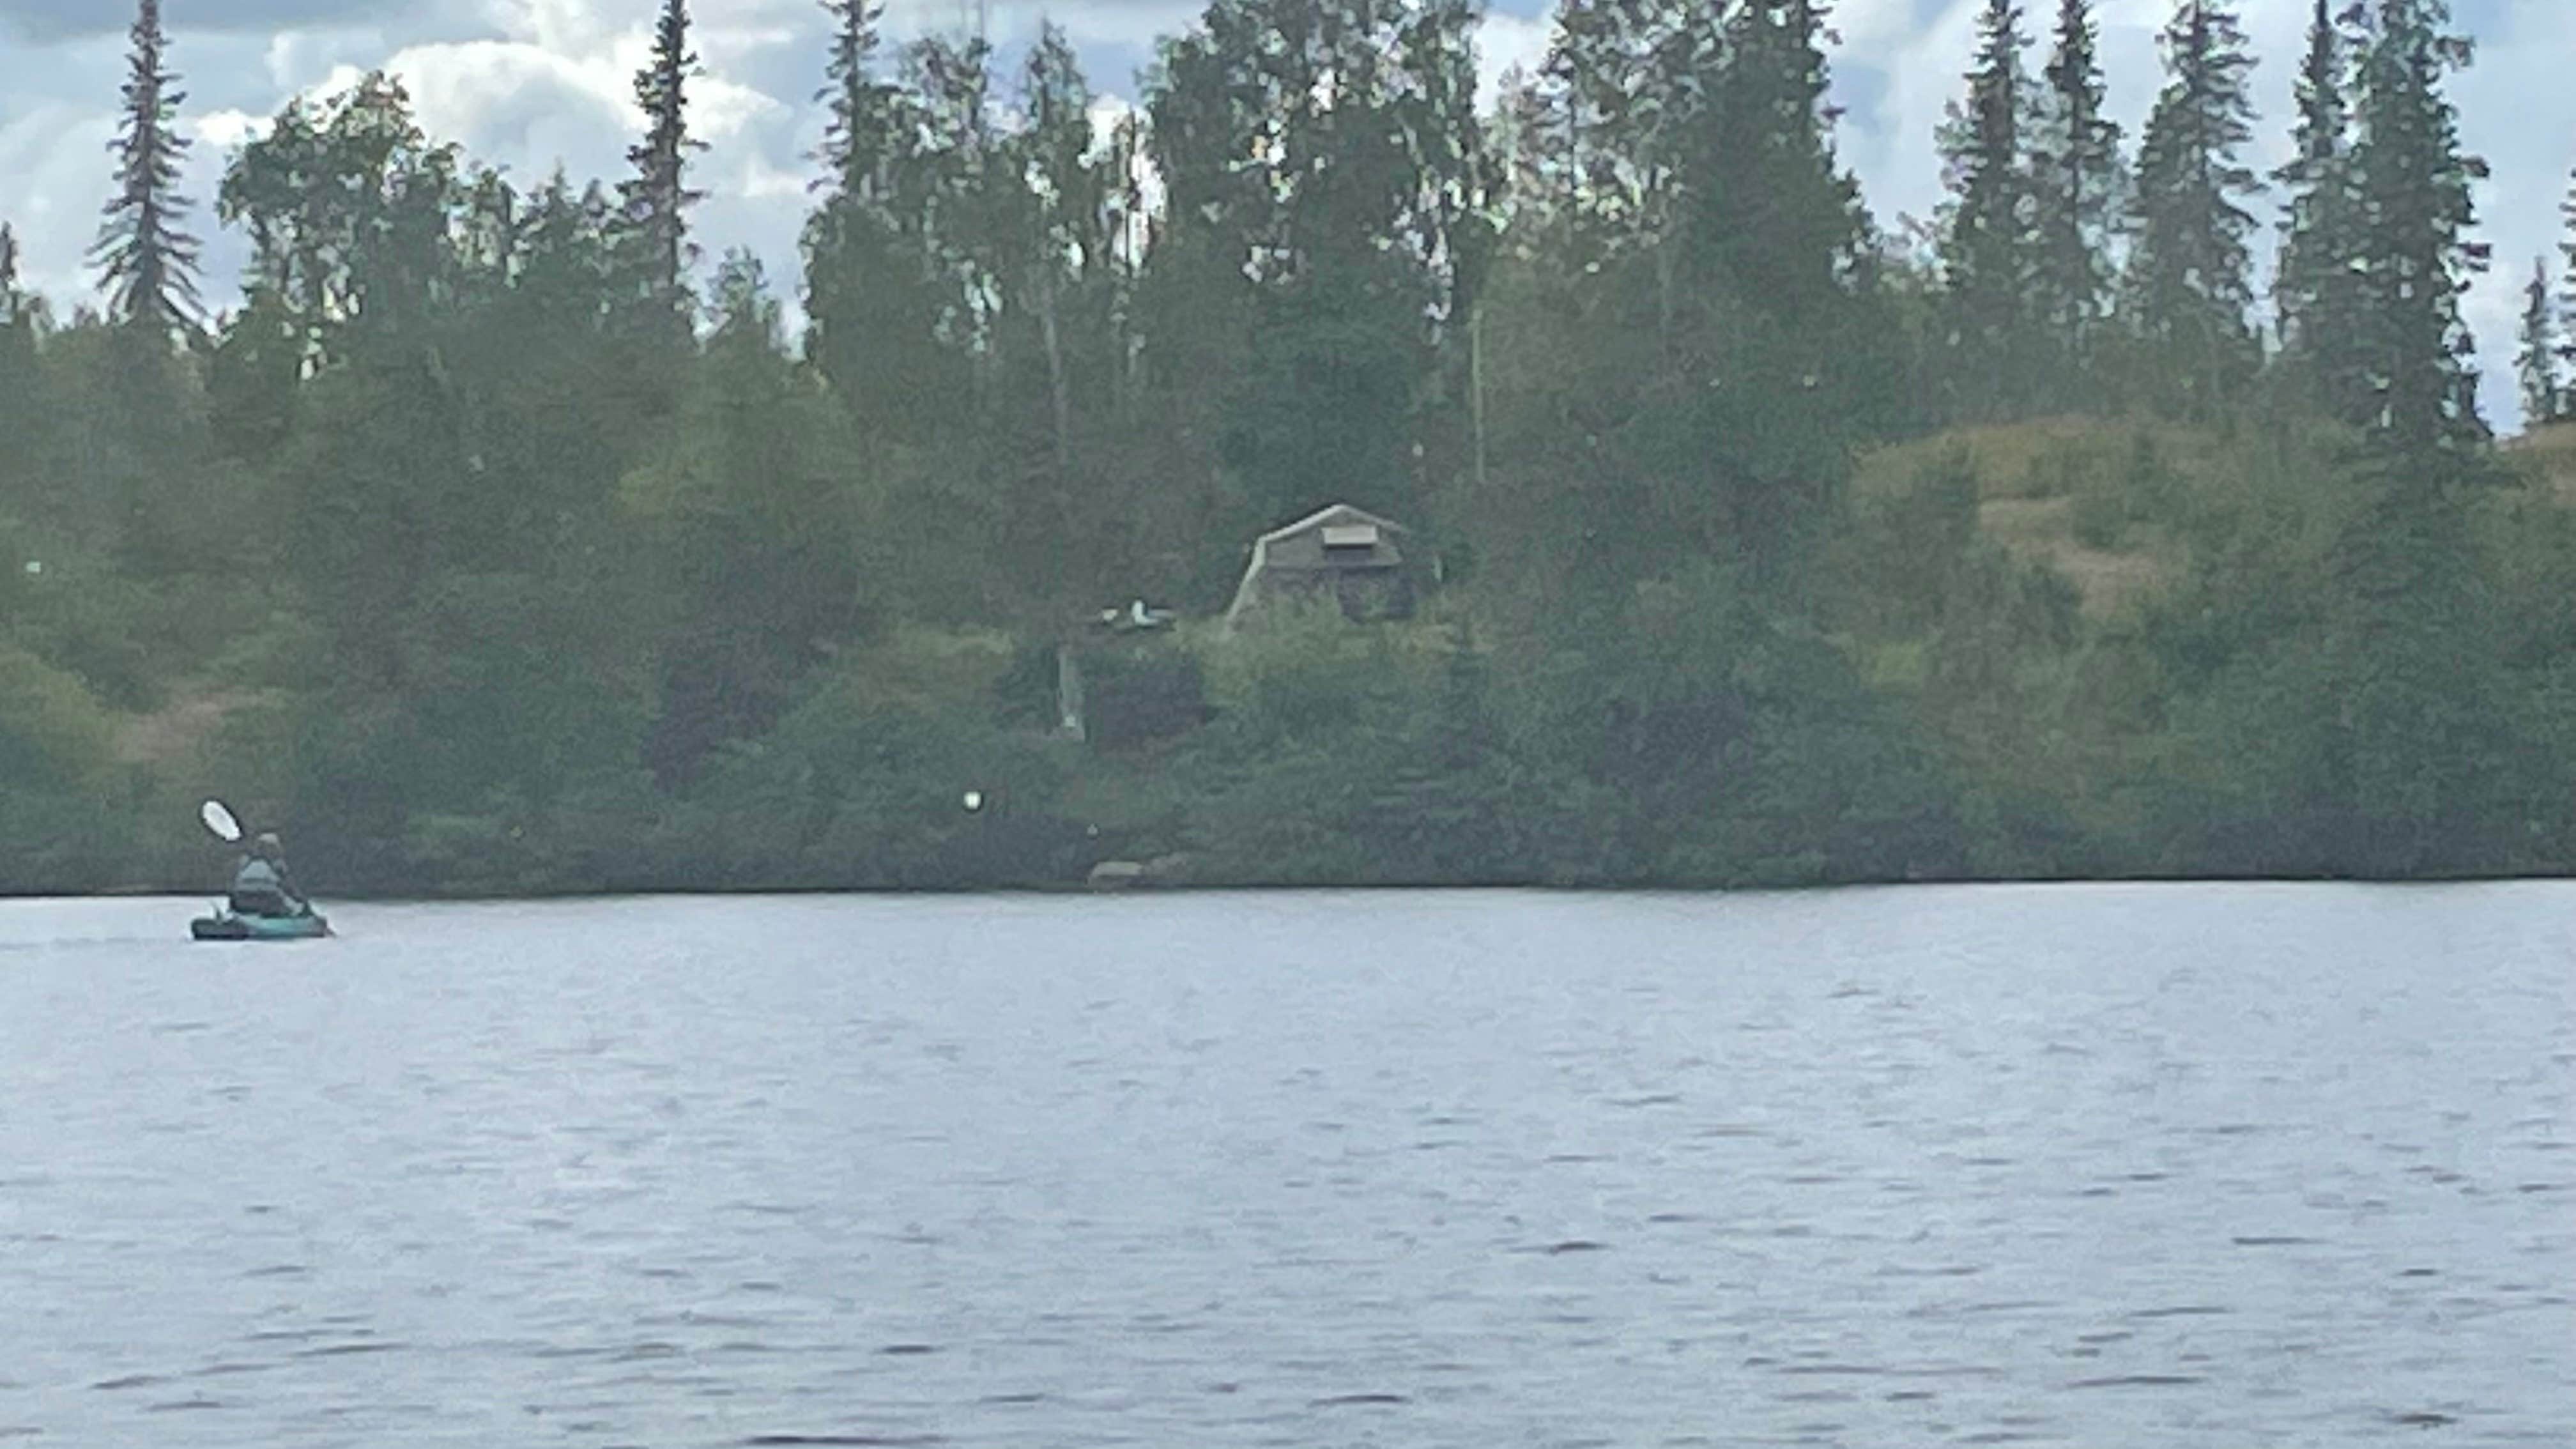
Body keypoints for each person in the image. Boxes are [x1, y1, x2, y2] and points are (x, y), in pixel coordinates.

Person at [229, 832, 307, 917]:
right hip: (268, 898)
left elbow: (236, 882)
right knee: (288, 905)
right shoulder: (277, 865)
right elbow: (289, 885)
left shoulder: (245, 861)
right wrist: (300, 899)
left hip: (241, 899)